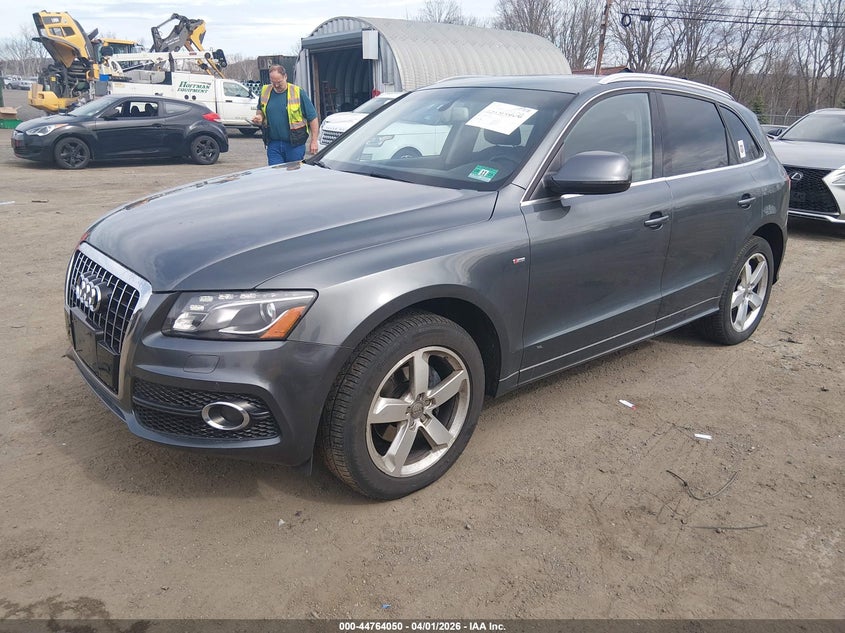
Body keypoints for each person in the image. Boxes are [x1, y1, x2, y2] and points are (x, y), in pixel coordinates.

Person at [251, 65, 319, 165]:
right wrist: (259, 117)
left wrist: (314, 141)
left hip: (295, 145)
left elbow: (312, 118)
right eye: (273, 82)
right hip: (273, 144)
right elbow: (260, 110)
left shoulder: (298, 92)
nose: (276, 86)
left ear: (285, 77)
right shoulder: (265, 91)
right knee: (276, 175)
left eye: (279, 82)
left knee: (293, 176)